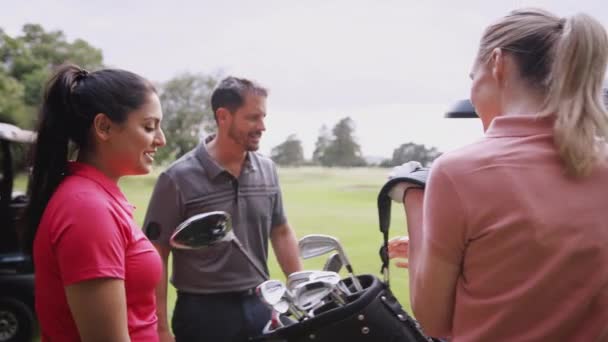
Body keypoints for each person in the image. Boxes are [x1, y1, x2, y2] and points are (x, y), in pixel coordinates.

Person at [387, 8, 608, 341]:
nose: (474, 94)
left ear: (497, 63)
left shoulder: (458, 172)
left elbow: (434, 319)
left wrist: (411, 193)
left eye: (473, 78)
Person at [143, 76, 302, 342]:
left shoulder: (268, 170)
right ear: (223, 116)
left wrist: (299, 288)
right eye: (253, 118)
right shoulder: (177, 178)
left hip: (260, 303)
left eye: (263, 117)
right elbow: (157, 251)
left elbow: (281, 230)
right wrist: (160, 328)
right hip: (202, 313)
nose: (262, 126)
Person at [25, 64, 166, 341]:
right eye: (149, 126)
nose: (161, 139)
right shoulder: (87, 209)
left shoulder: (96, 198)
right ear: (104, 127)